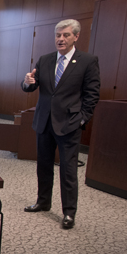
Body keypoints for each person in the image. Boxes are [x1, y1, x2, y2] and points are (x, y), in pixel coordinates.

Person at [21, 19, 100, 229]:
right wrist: (26, 82)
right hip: (44, 122)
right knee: (43, 165)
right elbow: (31, 85)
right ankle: (43, 202)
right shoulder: (45, 59)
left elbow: (92, 95)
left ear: (76, 36)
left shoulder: (87, 61)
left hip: (69, 123)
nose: (60, 39)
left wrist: (82, 119)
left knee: (68, 169)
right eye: (58, 35)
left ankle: (69, 213)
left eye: (65, 35)